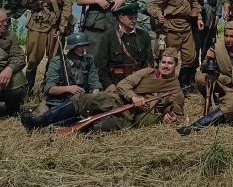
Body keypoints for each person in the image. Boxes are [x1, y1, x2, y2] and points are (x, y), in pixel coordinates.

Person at [21, 50, 185, 133]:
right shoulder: (147, 72)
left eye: (170, 63)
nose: (165, 66)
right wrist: (134, 97)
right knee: (85, 100)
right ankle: (40, 122)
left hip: (138, 115)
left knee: (100, 124)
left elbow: (177, 114)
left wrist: (169, 117)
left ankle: (57, 129)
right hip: (121, 100)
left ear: (176, 66)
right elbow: (123, 84)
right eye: (164, 62)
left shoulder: (175, 89)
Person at [21, 0, 72, 97]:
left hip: (54, 25)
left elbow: (67, 5)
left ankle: (48, 88)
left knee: (54, 59)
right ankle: (28, 90)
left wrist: (63, 24)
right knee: (32, 60)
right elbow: (25, 2)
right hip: (37, 25)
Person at [146, 0, 202, 90]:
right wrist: (159, 15)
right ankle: (161, 85)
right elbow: (153, 5)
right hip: (169, 27)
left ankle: (183, 84)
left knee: (190, 57)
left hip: (186, 26)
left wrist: (198, 16)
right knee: (166, 57)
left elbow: (194, 2)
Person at [22, 32, 101, 121]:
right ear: (72, 47)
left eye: (84, 46)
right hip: (59, 101)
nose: (83, 49)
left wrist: (93, 98)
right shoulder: (57, 62)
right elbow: (50, 89)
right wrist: (68, 89)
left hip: (81, 100)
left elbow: (94, 83)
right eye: (80, 47)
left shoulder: (88, 61)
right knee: (42, 119)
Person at [76, 0, 127, 87]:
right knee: (92, 58)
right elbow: (80, 0)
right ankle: (88, 86)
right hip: (94, 27)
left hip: (113, 25)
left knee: (112, 58)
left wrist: (121, 2)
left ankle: (107, 86)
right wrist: (97, 1)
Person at [196, 21, 233, 101]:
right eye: (226, 36)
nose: (228, 39)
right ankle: (211, 101)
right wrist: (208, 58)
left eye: (232, 36)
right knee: (200, 79)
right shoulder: (217, 48)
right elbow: (203, 69)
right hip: (222, 82)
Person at [106, 2, 155, 87]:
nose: (134, 21)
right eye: (130, 18)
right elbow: (101, 65)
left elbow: (149, 61)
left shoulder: (144, 35)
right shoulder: (109, 36)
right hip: (117, 82)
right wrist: (108, 84)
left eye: (135, 18)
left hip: (139, 81)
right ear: (121, 18)